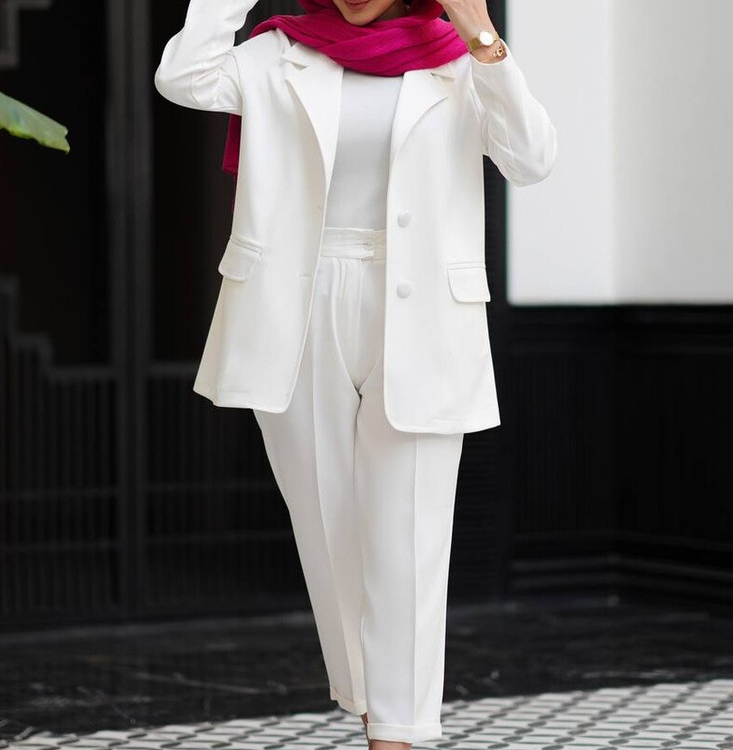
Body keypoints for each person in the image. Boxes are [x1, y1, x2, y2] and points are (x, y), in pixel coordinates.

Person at [154, 0, 557, 746]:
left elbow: (531, 159)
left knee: (412, 534)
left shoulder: (457, 60)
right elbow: (183, 76)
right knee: (328, 526)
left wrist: (482, 36)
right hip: (298, 305)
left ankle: (397, 731)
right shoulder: (279, 53)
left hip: (425, 307)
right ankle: (376, 703)